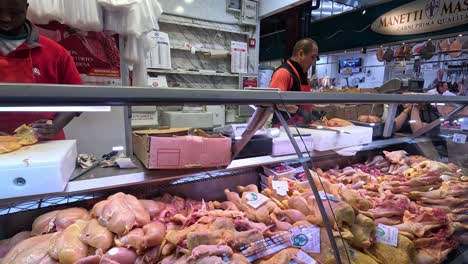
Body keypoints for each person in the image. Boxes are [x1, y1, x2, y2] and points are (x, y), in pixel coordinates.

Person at [0, 0, 82, 139]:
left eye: (14, 12)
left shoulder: (55, 52)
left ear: (26, 8)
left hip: (46, 146)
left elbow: (78, 99)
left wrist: (54, 126)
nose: (5, 18)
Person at [269, 38, 319, 126]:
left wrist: (312, 112)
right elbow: (276, 103)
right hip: (284, 130)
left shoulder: (302, 76)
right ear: (301, 54)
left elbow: (300, 103)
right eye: (312, 57)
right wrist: (300, 112)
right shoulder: (283, 73)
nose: (313, 62)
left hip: (300, 128)